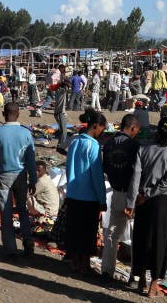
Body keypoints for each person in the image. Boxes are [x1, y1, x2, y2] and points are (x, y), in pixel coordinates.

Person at [126, 118, 167, 296]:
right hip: (162, 203)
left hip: (143, 201)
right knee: (159, 243)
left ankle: (141, 277)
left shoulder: (143, 149)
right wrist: (150, 193)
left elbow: (135, 177)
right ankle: (154, 284)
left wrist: (133, 200)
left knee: (142, 240)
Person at [0, 102, 37, 257]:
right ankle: (27, 239)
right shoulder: (26, 133)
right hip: (21, 174)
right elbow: (31, 159)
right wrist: (33, 179)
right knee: (22, 208)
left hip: (4, 175)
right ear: (18, 114)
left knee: (5, 210)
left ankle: (10, 247)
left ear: (3, 114)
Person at [64, 108, 107, 275]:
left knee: (75, 230)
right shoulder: (93, 146)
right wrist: (102, 199)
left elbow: (68, 168)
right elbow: (96, 176)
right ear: (96, 126)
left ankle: (74, 262)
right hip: (88, 197)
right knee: (87, 232)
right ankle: (84, 265)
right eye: (102, 129)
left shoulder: (75, 142)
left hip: (74, 193)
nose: (102, 132)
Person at [101, 114, 141, 282]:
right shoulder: (134, 146)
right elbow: (136, 174)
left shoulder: (108, 144)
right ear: (132, 128)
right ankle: (135, 276)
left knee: (112, 233)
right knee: (134, 236)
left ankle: (107, 270)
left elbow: (105, 168)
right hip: (131, 194)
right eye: (137, 130)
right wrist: (132, 201)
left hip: (115, 192)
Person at [53, 80, 69, 148]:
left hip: (58, 112)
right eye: (67, 86)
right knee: (64, 131)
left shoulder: (58, 91)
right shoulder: (62, 91)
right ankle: (61, 145)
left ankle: (60, 144)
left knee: (62, 130)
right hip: (60, 113)